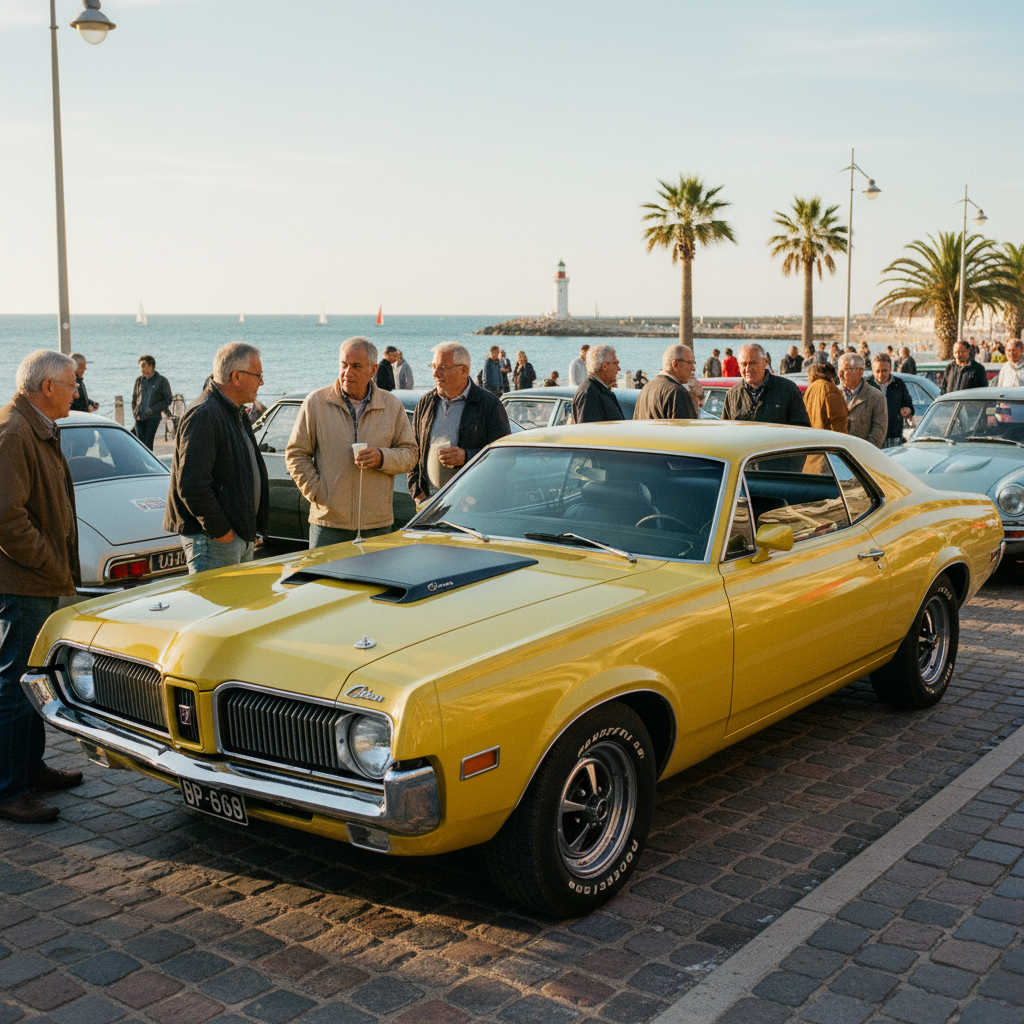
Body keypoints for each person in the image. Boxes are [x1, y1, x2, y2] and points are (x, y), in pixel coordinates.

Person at [0, 351, 83, 823]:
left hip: (37, 578)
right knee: (16, 685)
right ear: (47, 387)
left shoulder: (34, 427)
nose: (77, 391)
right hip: (23, 581)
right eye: (71, 384)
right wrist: (49, 562)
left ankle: (29, 769)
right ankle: (9, 789)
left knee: (33, 679)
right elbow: (7, 518)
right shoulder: (14, 431)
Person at [287, 338, 417, 547]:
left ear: (373, 370)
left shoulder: (391, 405)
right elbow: (296, 454)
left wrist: (382, 457)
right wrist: (318, 493)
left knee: (374, 581)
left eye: (356, 366)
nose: (348, 372)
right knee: (322, 580)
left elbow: (410, 454)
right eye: (344, 365)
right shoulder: (315, 402)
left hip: (377, 524)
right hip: (328, 524)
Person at [163, 342, 269, 574]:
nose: (262, 382)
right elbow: (192, 485)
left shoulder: (234, 411)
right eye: (258, 376)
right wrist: (222, 532)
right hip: (213, 539)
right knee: (218, 608)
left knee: (238, 607)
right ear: (237, 376)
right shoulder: (204, 414)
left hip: (235, 535)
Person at [408, 342, 511, 502]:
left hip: (474, 504)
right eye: (433, 366)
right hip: (429, 505)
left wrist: (467, 457)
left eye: (443, 367)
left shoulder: (489, 404)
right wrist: (417, 494)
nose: (435, 373)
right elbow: (413, 451)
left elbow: (506, 457)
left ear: (464, 370)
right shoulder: (426, 403)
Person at [722, 344, 810, 426]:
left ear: (765, 362)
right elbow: (726, 432)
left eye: (753, 363)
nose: (748, 369)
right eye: (744, 364)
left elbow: (802, 430)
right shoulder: (732, 394)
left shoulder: (788, 389)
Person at [634, 345, 698, 420]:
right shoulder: (676, 392)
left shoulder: (646, 388)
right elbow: (684, 430)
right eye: (690, 363)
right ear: (675, 365)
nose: (694, 368)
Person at [839, 353, 887, 448]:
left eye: (846, 369)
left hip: (863, 458)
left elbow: (878, 433)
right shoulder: (832, 394)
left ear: (860, 371)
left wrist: (858, 454)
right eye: (839, 369)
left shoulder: (876, 397)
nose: (840, 374)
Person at [869, 353, 914, 448]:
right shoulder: (866, 384)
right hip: (872, 438)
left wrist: (908, 410)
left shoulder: (898, 384)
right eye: (878, 371)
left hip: (894, 437)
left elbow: (908, 404)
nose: (881, 374)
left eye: (884, 370)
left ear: (890, 369)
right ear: (872, 370)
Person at [571, 344, 624, 423]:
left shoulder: (598, 390)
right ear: (604, 366)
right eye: (615, 363)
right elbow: (588, 432)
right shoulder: (589, 394)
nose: (619, 368)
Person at [131, 355, 173, 451]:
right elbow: (134, 398)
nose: (142, 369)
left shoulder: (161, 381)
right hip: (139, 417)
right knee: (138, 443)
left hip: (153, 418)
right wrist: (135, 411)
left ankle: (147, 464)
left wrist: (154, 409)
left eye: (144, 366)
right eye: (141, 366)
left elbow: (168, 399)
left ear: (151, 366)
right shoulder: (139, 380)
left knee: (147, 445)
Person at [802, 362, 847, 433]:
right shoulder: (829, 389)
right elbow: (838, 420)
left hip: (815, 438)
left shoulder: (810, 389)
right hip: (829, 440)